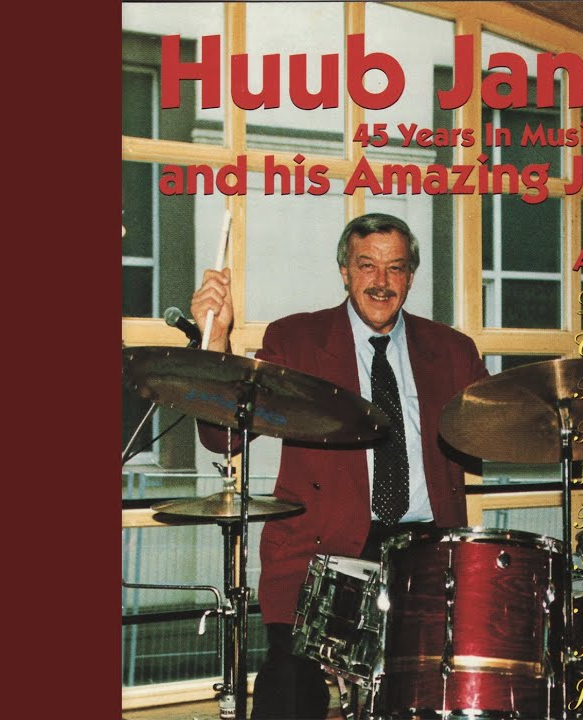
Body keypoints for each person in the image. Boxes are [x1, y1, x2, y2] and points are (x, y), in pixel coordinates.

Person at [190, 213, 488, 718]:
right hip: (318, 549)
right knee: (289, 692)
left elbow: (501, 424)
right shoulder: (297, 340)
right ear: (345, 272)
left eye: (395, 268)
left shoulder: (452, 350)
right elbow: (223, 436)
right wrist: (214, 342)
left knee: (431, 697)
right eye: (367, 265)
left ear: (411, 276)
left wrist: (581, 391)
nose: (381, 282)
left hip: (425, 549)